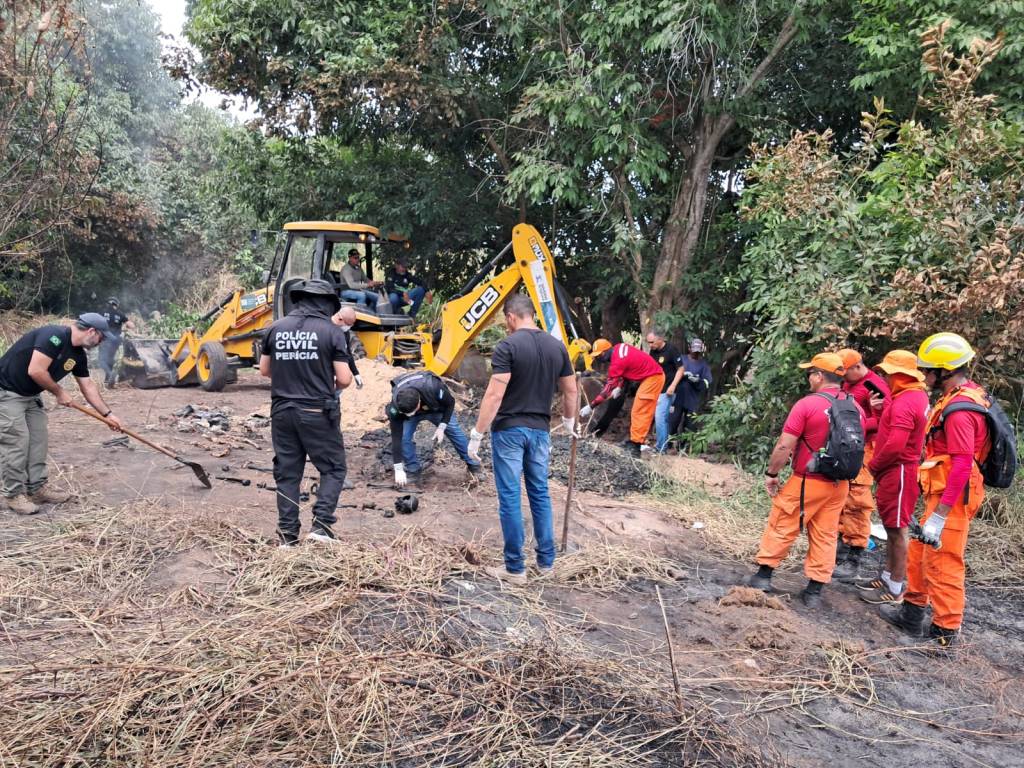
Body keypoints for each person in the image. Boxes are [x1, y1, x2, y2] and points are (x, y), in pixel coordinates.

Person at [879, 333, 989, 648]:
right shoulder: (955, 395)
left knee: (944, 561)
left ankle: (944, 634)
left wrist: (940, 516)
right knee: (920, 552)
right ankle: (912, 614)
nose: (923, 375)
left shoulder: (961, 411)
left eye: (927, 369)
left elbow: (962, 464)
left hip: (953, 495)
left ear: (944, 371)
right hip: (940, 490)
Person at [467, 294, 577, 585]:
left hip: (510, 431)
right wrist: (568, 420)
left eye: (506, 321)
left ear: (511, 317)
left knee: (511, 496)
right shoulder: (557, 347)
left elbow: (494, 394)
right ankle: (546, 563)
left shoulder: (508, 346)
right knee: (540, 493)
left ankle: (515, 569)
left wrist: (477, 433)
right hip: (540, 432)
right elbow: (571, 390)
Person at [747, 353, 863, 608]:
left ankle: (763, 577)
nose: (809, 378)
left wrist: (772, 473)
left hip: (808, 479)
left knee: (783, 522)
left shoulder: (807, 404)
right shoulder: (855, 407)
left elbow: (784, 445)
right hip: (840, 484)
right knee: (826, 534)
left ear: (819, 376)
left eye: (810, 373)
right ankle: (814, 592)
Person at [0, 314, 124, 514]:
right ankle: (13, 495)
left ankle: (37, 489)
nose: (100, 342)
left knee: (38, 440)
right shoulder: (54, 335)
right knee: (17, 441)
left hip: (30, 395)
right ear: (92, 332)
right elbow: (36, 370)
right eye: (101, 338)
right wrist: (59, 392)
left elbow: (88, 386)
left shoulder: (78, 355)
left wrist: (107, 414)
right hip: (7, 392)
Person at [259, 279, 352, 546]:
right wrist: (321, 383)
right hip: (317, 412)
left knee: (288, 473)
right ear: (326, 304)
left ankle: (288, 537)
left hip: (282, 413)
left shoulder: (275, 328)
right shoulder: (332, 332)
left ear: (298, 300)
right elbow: (344, 379)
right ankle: (321, 527)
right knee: (333, 468)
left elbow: (265, 371)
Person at [855, 350, 929, 605]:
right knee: (890, 526)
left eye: (888, 373)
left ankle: (896, 586)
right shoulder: (911, 397)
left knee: (897, 529)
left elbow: (896, 444)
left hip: (898, 470)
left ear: (900, 375)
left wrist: (874, 465)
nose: (884, 377)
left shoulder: (906, 402)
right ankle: (887, 576)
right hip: (897, 470)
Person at [832, 348, 891, 580]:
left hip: (865, 448)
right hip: (848, 446)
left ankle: (854, 556)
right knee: (841, 496)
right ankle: (840, 549)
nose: (843, 379)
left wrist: (854, 427)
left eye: (845, 373)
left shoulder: (874, 386)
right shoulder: (849, 383)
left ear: (857, 367)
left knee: (857, 499)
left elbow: (886, 420)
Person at [388, 370, 482, 487]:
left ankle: (474, 465)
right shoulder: (395, 407)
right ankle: (413, 471)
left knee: (453, 430)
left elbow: (450, 403)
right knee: (404, 438)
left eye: (412, 412)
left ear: (418, 403)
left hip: (436, 409)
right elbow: (396, 437)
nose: (410, 415)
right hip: (410, 409)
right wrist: (398, 468)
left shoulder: (434, 387)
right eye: (407, 413)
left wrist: (442, 426)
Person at [580, 339, 664, 456]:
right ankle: (634, 441)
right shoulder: (619, 348)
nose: (600, 358)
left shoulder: (617, 362)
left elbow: (607, 390)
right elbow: (627, 369)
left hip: (653, 378)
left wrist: (591, 406)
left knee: (640, 411)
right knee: (637, 411)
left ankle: (636, 447)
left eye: (600, 355)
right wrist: (619, 386)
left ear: (605, 351)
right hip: (650, 376)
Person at [645, 329, 685, 453]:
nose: (650, 345)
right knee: (663, 418)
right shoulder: (653, 351)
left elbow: (681, 369)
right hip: (656, 389)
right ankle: (664, 446)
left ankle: (660, 448)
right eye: (648, 343)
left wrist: (673, 386)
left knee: (660, 417)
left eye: (652, 342)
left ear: (660, 339)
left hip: (668, 390)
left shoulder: (672, 350)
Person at [667, 338, 712, 449]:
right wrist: (682, 375)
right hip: (677, 397)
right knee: (673, 421)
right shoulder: (681, 359)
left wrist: (698, 381)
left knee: (690, 424)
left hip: (693, 399)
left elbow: (708, 381)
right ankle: (667, 444)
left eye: (698, 351)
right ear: (689, 348)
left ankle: (683, 447)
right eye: (694, 350)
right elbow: (670, 373)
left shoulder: (703, 365)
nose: (695, 353)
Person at [98, 297, 134, 388]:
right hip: (115, 340)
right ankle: (108, 379)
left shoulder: (102, 312)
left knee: (102, 360)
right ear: (116, 305)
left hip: (104, 339)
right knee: (110, 358)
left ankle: (110, 375)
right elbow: (131, 325)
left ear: (108, 303)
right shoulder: (120, 314)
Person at [330, 306, 363, 389]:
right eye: (348, 324)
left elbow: (348, 353)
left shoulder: (345, 333)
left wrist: (356, 373)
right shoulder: (325, 330)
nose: (349, 327)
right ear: (340, 319)